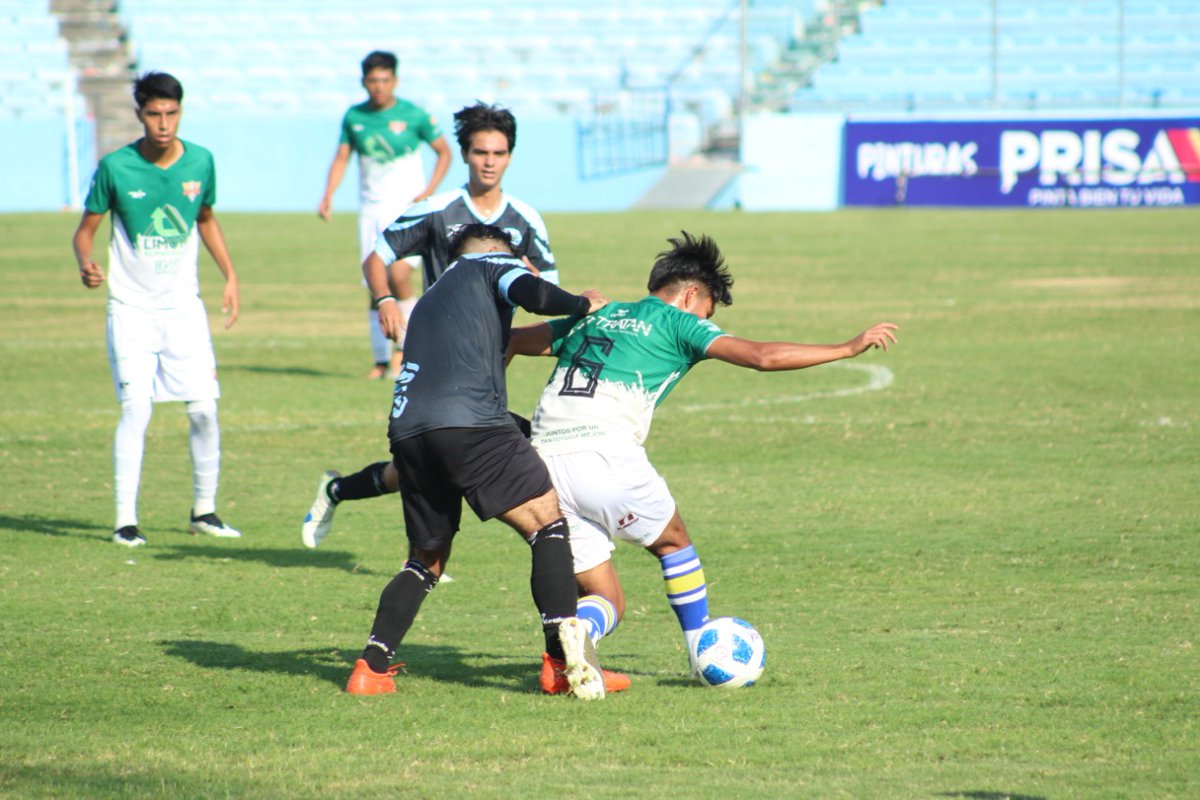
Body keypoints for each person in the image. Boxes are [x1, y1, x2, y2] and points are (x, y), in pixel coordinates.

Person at [507, 231, 898, 678]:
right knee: (673, 541)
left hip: (540, 465)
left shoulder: (597, 314)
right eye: (708, 311)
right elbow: (762, 357)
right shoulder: (679, 323)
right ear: (692, 294)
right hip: (604, 453)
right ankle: (700, 653)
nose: (706, 319)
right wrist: (846, 348)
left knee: (608, 597)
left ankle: (579, 637)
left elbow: (512, 340)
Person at [344, 223, 613, 699]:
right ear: (499, 249)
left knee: (425, 560)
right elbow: (532, 293)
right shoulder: (491, 262)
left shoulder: (430, 297)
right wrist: (580, 304)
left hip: (407, 430)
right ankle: (559, 665)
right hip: (469, 424)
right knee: (547, 524)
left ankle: (371, 667)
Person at [301, 102, 557, 549]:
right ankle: (532, 542)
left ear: (510, 156)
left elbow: (549, 290)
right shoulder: (435, 209)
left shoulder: (526, 220)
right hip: (439, 358)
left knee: (424, 463)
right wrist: (384, 299)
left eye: (498, 153)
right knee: (487, 446)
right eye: (480, 152)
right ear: (465, 154)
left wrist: (533, 296)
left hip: (491, 359)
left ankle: (339, 490)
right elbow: (376, 256)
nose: (489, 161)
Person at [71, 71, 242, 547]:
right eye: (154, 113)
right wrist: (86, 262)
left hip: (183, 309)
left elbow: (205, 218)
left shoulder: (201, 161)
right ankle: (125, 520)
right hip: (130, 309)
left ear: (180, 113)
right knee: (137, 410)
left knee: (205, 410)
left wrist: (229, 275)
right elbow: (85, 229)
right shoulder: (115, 168)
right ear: (139, 114)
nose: (163, 123)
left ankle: (203, 511)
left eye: (171, 113)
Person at [317, 50, 452, 380]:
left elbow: (444, 152)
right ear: (364, 81)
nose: (378, 86)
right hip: (372, 211)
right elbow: (341, 157)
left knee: (400, 276)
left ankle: (404, 351)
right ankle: (380, 360)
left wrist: (428, 190)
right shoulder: (354, 117)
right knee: (375, 285)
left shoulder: (413, 115)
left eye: (384, 80)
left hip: (407, 211)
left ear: (395, 80)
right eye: (373, 80)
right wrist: (328, 194)